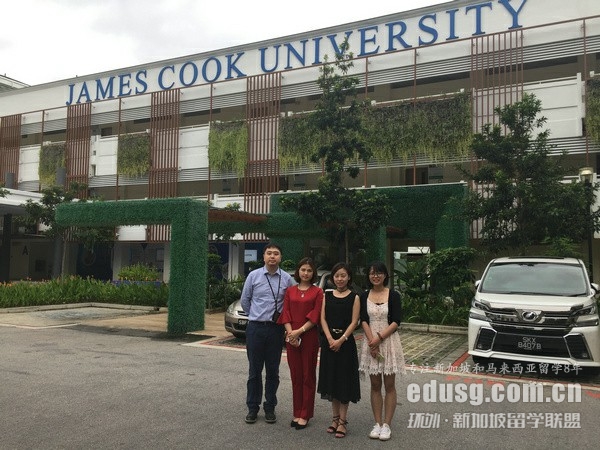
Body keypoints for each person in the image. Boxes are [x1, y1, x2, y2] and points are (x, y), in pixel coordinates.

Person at [240, 243, 294, 424]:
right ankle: (252, 408)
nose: (272, 256)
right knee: (254, 371)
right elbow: (245, 300)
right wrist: (256, 316)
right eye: (269, 253)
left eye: (276, 253)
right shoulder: (253, 276)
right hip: (255, 328)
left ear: (280, 257)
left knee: (273, 371)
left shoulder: (287, 279)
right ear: (263, 256)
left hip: (275, 329)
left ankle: (270, 407)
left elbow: (292, 302)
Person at [359, 261, 406, 441]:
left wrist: (379, 339)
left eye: (379, 273)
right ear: (368, 276)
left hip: (388, 341)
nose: (375, 276)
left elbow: (396, 321)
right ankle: (377, 423)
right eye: (372, 273)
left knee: (390, 385)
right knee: (375, 384)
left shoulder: (393, 295)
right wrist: (372, 342)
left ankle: (387, 424)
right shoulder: (364, 295)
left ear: (385, 275)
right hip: (370, 340)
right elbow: (363, 319)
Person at [277, 257, 323, 430]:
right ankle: (296, 412)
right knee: (295, 376)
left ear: (313, 273)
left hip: (309, 337)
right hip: (292, 337)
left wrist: (299, 331)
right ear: (298, 271)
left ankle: (305, 414)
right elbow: (286, 313)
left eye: (309, 270)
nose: (306, 273)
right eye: (303, 270)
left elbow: (316, 315)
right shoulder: (290, 291)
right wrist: (291, 333)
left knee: (307, 376)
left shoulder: (317, 292)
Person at [317, 262, 361, 439]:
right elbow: (322, 319)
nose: (340, 279)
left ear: (349, 277)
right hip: (329, 344)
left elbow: (354, 322)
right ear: (332, 278)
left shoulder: (355, 297)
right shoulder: (326, 295)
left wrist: (341, 340)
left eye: (343, 275)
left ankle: (343, 421)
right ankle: (334, 419)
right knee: (332, 381)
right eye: (337, 275)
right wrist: (329, 339)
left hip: (345, 345)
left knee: (344, 381)